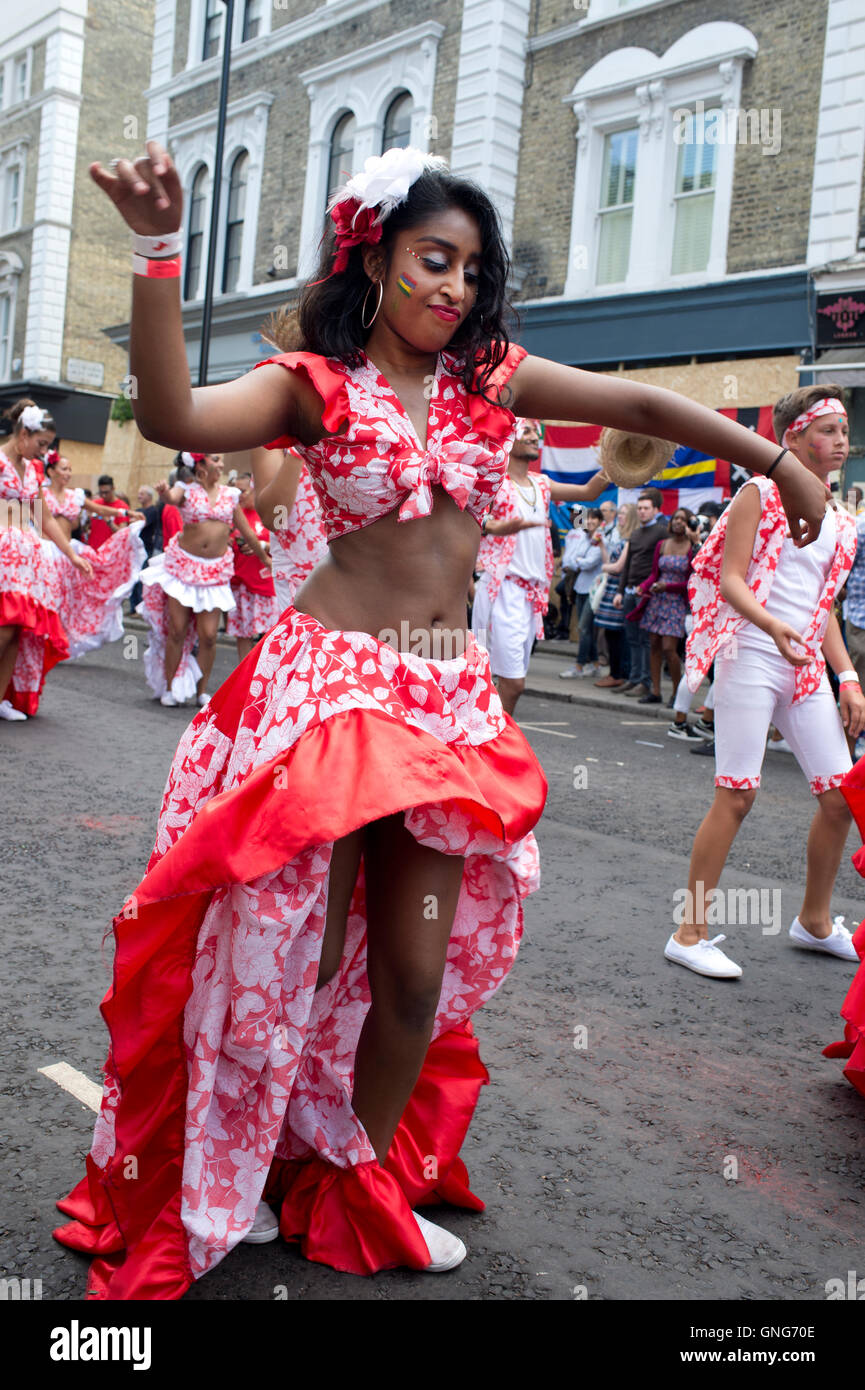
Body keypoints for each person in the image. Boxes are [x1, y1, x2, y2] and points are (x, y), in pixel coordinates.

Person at [53, 138, 829, 1300]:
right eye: (432, 258)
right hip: (327, 693)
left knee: (413, 974)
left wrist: (774, 459)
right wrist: (159, 251)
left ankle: (348, 1181)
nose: (454, 288)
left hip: (440, 697)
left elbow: (636, 400)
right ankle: (244, 1164)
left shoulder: (489, 381)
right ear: (374, 260)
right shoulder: (312, 385)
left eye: (471, 268)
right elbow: (169, 409)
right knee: (287, 962)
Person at [666, 384, 864, 979]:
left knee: (839, 799)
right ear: (792, 437)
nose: (841, 441)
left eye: (844, 430)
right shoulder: (760, 491)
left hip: (802, 664)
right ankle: (689, 931)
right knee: (738, 792)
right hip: (753, 650)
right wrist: (773, 626)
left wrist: (848, 676)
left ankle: (815, 921)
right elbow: (731, 580)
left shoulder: (840, 519)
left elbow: (822, 605)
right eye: (827, 430)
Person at [471, 419, 609, 716]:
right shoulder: (492, 481)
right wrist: (495, 527)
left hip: (531, 596)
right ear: (508, 437)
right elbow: (466, 519)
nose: (535, 437)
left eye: (537, 432)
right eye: (528, 432)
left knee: (502, 679)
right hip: (501, 588)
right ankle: (495, 743)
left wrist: (620, 461)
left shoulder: (542, 484)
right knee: (510, 682)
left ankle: (485, 736)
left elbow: (588, 492)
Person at [139, 450, 270, 706]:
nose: (221, 464)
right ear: (200, 465)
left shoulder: (230, 496)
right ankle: (169, 688)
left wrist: (265, 559)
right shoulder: (186, 490)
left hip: (215, 571)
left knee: (209, 635)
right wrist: (164, 491)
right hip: (183, 569)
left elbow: (247, 532)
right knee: (177, 630)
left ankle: (201, 692)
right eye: (216, 460)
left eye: (221, 460)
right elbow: (172, 498)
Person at [0, 400, 93, 720]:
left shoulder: (34, 469)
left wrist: (71, 553)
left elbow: (45, 517)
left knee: (19, 629)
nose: (43, 452)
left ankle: (1, 698)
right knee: (4, 629)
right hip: (2, 554)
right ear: (23, 434)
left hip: (27, 557)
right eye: (41, 444)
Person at [41, 452, 146, 658]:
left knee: (68, 601)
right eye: (64, 469)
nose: (68, 473)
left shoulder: (75, 496)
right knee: (47, 600)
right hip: (45, 552)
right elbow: (31, 520)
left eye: (70, 469)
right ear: (51, 471)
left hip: (69, 553)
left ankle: (56, 644)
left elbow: (100, 509)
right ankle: (40, 642)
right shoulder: (40, 495)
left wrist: (127, 513)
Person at [248, 445, 328, 612]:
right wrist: (300, 447)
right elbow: (274, 519)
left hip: (359, 572)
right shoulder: (275, 436)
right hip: (301, 579)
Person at [630, 506, 697, 705]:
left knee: (670, 649)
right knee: (654, 646)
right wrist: (643, 587)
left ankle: (677, 693)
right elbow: (653, 574)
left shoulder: (692, 548)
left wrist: (668, 586)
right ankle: (656, 691)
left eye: (683, 519)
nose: (678, 522)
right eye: (675, 518)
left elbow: (690, 582)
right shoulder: (662, 544)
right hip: (657, 601)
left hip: (676, 602)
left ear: (690, 525)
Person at [612, 488, 668, 697]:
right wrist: (620, 591)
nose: (642, 512)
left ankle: (645, 682)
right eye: (640, 508)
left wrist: (647, 587)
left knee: (646, 640)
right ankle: (634, 678)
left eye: (646, 508)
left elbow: (660, 565)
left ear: (655, 510)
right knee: (632, 638)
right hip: (628, 592)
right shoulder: (635, 533)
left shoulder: (662, 532)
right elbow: (627, 566)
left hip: (646, 594)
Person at [225, 470, 279, 662]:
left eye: (242, 491)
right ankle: (246, 677)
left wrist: (262, 546)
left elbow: (286, 548)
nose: (238, 496)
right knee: (243, 635)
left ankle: (267, 674)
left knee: (271, 635)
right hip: (241, 584)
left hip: (265, 586)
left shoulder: (268, 514)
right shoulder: (231, 515)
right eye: (235, 491)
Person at [592, 501, 636, 688]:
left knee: (616, 633)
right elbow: (609, 560)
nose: (620, 516)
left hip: (618, 587)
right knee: (609, 632)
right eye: (620, 512)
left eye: (624, 513)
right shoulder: (620, 537)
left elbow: (617, 567)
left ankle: (618, 673)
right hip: (611, 585)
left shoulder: (630, 539)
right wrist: (601, 545)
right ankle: (614, 672)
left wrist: (604, 568)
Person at [558, 508, 604, 679]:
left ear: (600, 521)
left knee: (584, 628)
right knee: (586, 629)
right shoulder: (585, 537)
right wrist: (578, 561)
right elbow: (573, 559)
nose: (590, 522)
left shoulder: (601, 539)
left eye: (594, 519)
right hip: (581, 587)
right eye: (589, 519)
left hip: (594, 590)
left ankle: (579, 666)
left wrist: (577, 562)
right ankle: (595, 664)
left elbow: (588, 563)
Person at [85, 475, 130, 549]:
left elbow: (122, 534)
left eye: (106, 492)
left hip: (111, 552)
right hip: (93, 549)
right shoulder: (95, 504)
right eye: (101, 492)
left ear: (113, 488)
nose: (103, 495)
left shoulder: (122, 506)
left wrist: (109, 521)